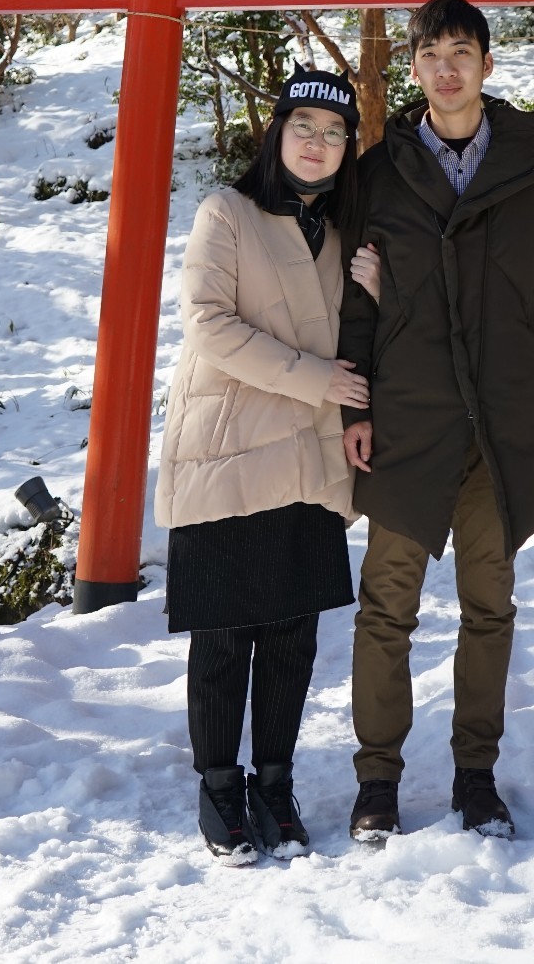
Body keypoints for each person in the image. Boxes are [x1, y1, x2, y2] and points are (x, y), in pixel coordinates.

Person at [337, 0, 534, 841]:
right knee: (387, 607)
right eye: (430, 55)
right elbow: (355, 295)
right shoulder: (380, 168)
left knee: (491, 602)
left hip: (503, 412)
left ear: (487, 61)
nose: (446, 69)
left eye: (461, 51)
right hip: (409, 414)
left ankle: (475, 775)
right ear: (412, 69)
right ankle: (377, 780)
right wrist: (356, 401)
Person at [154, 68, 368, 863]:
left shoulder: (346, 235)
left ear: (348, 150)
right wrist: (318, 379)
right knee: (221, 634)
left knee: (291, 634)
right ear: (276, 134)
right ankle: (219, 788)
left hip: (309, 459)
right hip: (228, 446)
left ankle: (273, 785)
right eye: (303, 126)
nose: (317, 143)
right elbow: (208, 323)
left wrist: (376, 291)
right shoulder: (228, 213)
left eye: (334, 133)